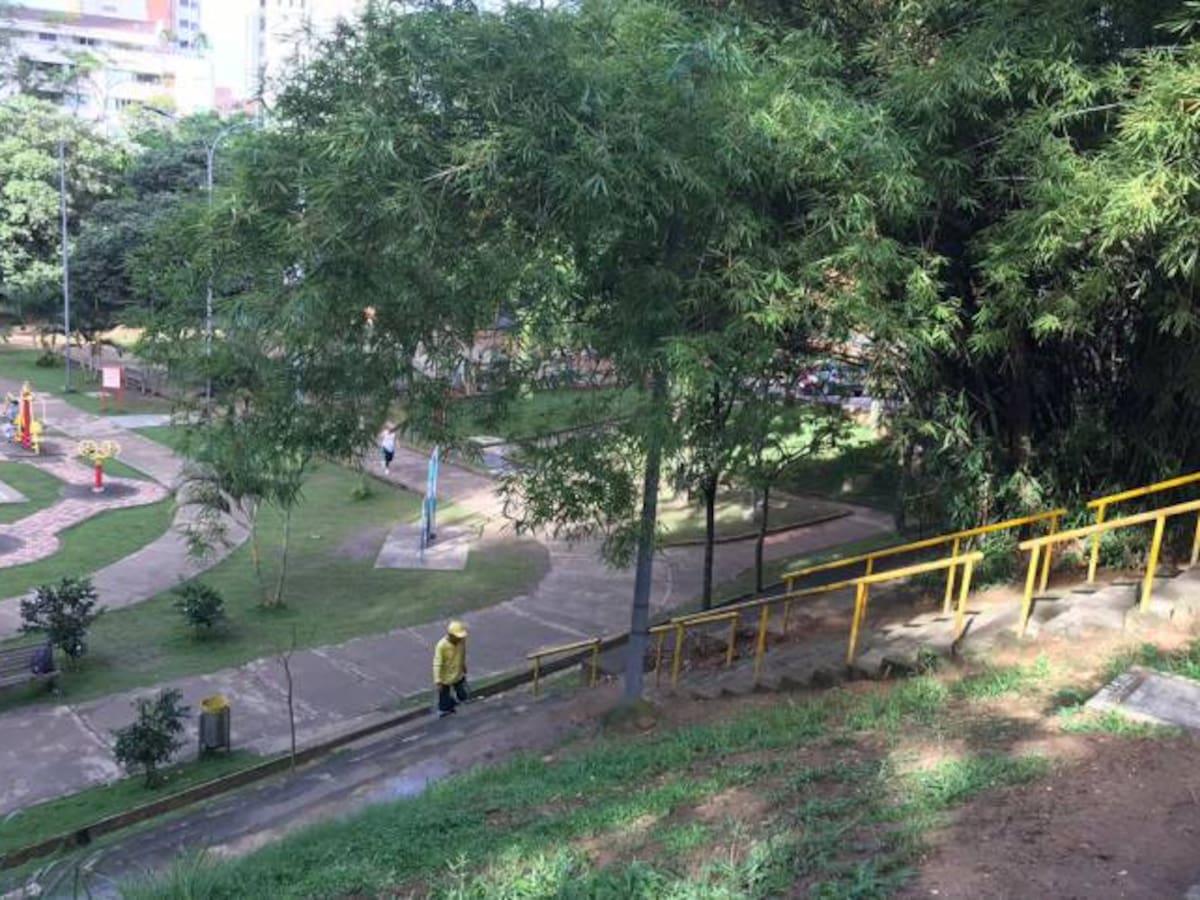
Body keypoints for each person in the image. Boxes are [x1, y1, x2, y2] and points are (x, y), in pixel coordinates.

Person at [433, 620, 469, 717]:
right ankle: (447, 709)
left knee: (463, 694)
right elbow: (437, 663)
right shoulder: (441, 646)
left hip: (458, 673)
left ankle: (457, 702)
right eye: (457, 637)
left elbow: (462, 653)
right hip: (445, 677)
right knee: (444, 699)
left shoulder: (461, 641)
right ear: (451, 635)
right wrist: (438, 680)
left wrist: (463, 665)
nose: (459, 639)